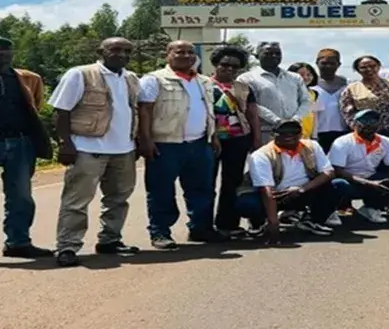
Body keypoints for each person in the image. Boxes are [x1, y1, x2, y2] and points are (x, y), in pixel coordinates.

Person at [49, 38, 141, 267]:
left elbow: (133, 111)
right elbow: (61, 111)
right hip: (87, 149)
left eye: (127, 51)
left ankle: (110, 240)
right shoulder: (80, 74)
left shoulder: (130, 78)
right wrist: (65, 144)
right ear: (101, 51)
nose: (121, 54)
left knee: (118, 199)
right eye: (116, 49)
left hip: (124, 150)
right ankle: (68, 246)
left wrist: (136, 142)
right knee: (76, 201)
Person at [138, 40, 224, 249]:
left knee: (202, 189)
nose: (186, 56)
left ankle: (200, 228)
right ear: (167, 54)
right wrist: (146, 140)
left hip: (200, 143)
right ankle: (160, 233)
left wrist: (213, 137)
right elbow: (144, 111)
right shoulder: (154, 80)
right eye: (180, 52)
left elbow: (208, 111)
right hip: (165, 144)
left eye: (190, 52)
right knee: (161, 190)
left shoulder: (204, 81)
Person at [237, 119, 337, 242]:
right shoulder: (261, 155)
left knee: (338, 186)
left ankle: (312, 221)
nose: (289, 135)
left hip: (301, 191)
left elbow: (329, 172)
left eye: (294, 132)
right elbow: (267, 190)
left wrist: (302, 189)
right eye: (283, 132)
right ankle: (259, 223)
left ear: (301, 134)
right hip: (274, 195)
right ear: (273, 135)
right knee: (245, 203)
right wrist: (273, 224)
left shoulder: (312, 146)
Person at [0, 36, 53, 259]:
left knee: (21, 195)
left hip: (20, 142)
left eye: (6, 50)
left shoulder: (28, 78)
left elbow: (36, 106)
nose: (2, 54)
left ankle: (18, 242)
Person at [209, 45, 261, 238]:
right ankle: (204, 226)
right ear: (216, 64)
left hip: (238, 139)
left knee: (232, 183)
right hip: (209, 140)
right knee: (207, 183)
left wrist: (255, 140)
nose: (229, 69)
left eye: (235, 66)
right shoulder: (204, 84)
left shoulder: (244, 87)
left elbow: (253, 115)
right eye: (225, 65)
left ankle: (228, 224)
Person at [328, 110, 389, 224]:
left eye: (373, 121)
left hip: (370, 177)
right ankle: (329, 212)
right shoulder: (342, 142)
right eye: (364, 121)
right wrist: (368, 183)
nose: (369, 125)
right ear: (354, 124)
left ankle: (370, 208)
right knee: (337, 184)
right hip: (349, 180)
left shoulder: (386, 141)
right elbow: (338, 171)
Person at [238, 42, 312, 144]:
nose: (274, 56)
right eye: (268, 53)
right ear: (257, 56)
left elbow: (305, 101)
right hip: (265, 132)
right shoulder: (246, 78)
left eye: (278, 53)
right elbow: (250, 104)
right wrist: (276, 120)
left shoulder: (294, 77)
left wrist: (295, 119)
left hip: (294, 131)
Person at [311, 49, 349, 153]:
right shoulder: (311, 85)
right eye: (324, 63)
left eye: (332, 63)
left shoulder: (347, 85)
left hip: (343, 132)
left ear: (339, 64)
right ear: (317, 63)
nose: (328, 66)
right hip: (317, 134)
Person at [287, 62, 320, 139]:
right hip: (293, 134)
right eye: (301, 75)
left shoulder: (314, 93)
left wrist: (314, 135)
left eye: (309, 75)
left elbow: (315, 114)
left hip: (308, 135)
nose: (305, 77)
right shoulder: (286, 93)